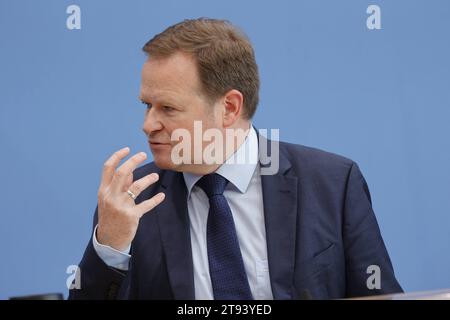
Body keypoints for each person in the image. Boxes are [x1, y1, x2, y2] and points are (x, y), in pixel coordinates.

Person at [69, 18, 402, 300]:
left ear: (229, 107)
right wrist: (110, 246)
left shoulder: (332, 184)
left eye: (167, 108)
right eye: (147, 105)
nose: (148, 125)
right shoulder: (131, 201)